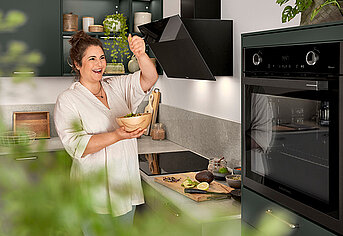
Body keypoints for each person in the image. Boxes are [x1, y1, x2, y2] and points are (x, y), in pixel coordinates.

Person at [54, 30, 158, 228]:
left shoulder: (115, 86)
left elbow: (149, 78)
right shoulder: (68, 100)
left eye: (102, 58)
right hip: (94, 193)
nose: (99, 64)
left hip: (125, 188)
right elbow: (78, 147)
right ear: (77, 64)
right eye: (92, 59)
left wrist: (141, 54)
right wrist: (118, 135)